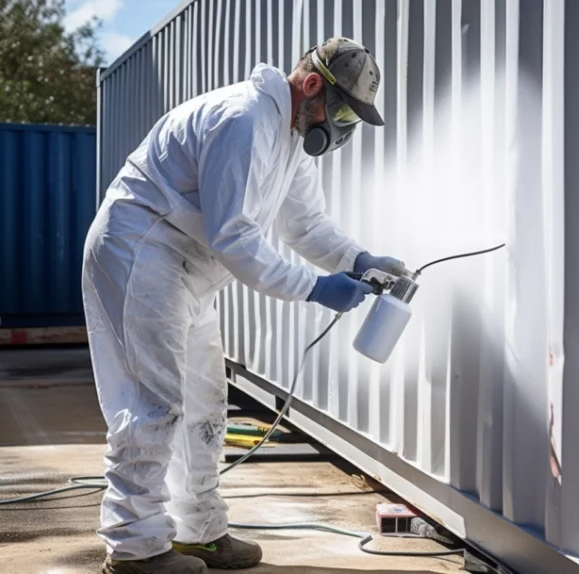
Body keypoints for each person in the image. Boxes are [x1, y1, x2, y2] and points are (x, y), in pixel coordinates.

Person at [82, 37, 407, 574]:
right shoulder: (244, 120)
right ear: (310, 86)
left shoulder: (290, 133)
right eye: (345, 111)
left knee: (206, 404)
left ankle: (199, 531)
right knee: (152, 405)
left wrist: (357, 259)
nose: (344, 127)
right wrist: (316, 287)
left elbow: (304, 225)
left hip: (186, 269)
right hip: (142, 254)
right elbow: (236, 239)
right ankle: (136, 549)